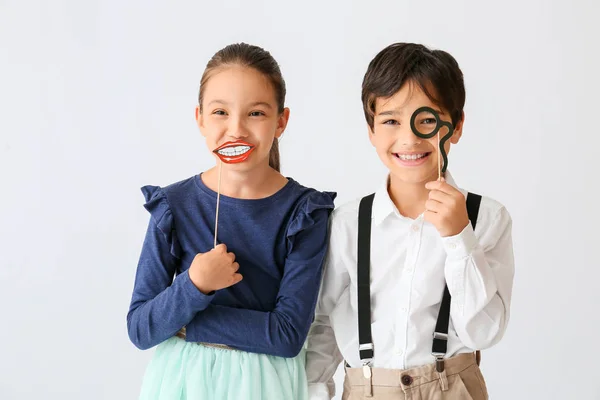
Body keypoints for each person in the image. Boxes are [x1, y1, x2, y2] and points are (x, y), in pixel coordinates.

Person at [127, 42, 336, 400]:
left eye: (256, 113)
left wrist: (185, 320)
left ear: (281, 121)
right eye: (221, 112)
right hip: (181, 383)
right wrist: (195, 283)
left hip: (265, 385)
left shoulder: (304, 213)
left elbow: (286, 335)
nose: (236, 130)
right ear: (200, 119)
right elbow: (141, 329)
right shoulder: (174, 207)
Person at [305, 42, 514, 399]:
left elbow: (484, 333)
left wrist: (458, 237)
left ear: (457, 125)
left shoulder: (487, 218)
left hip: (454, 388)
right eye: (390, 121)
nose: (409, 138)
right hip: (367, 389)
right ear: (371, 130)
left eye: (428, 120)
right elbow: (322, 325)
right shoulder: (347, 224)